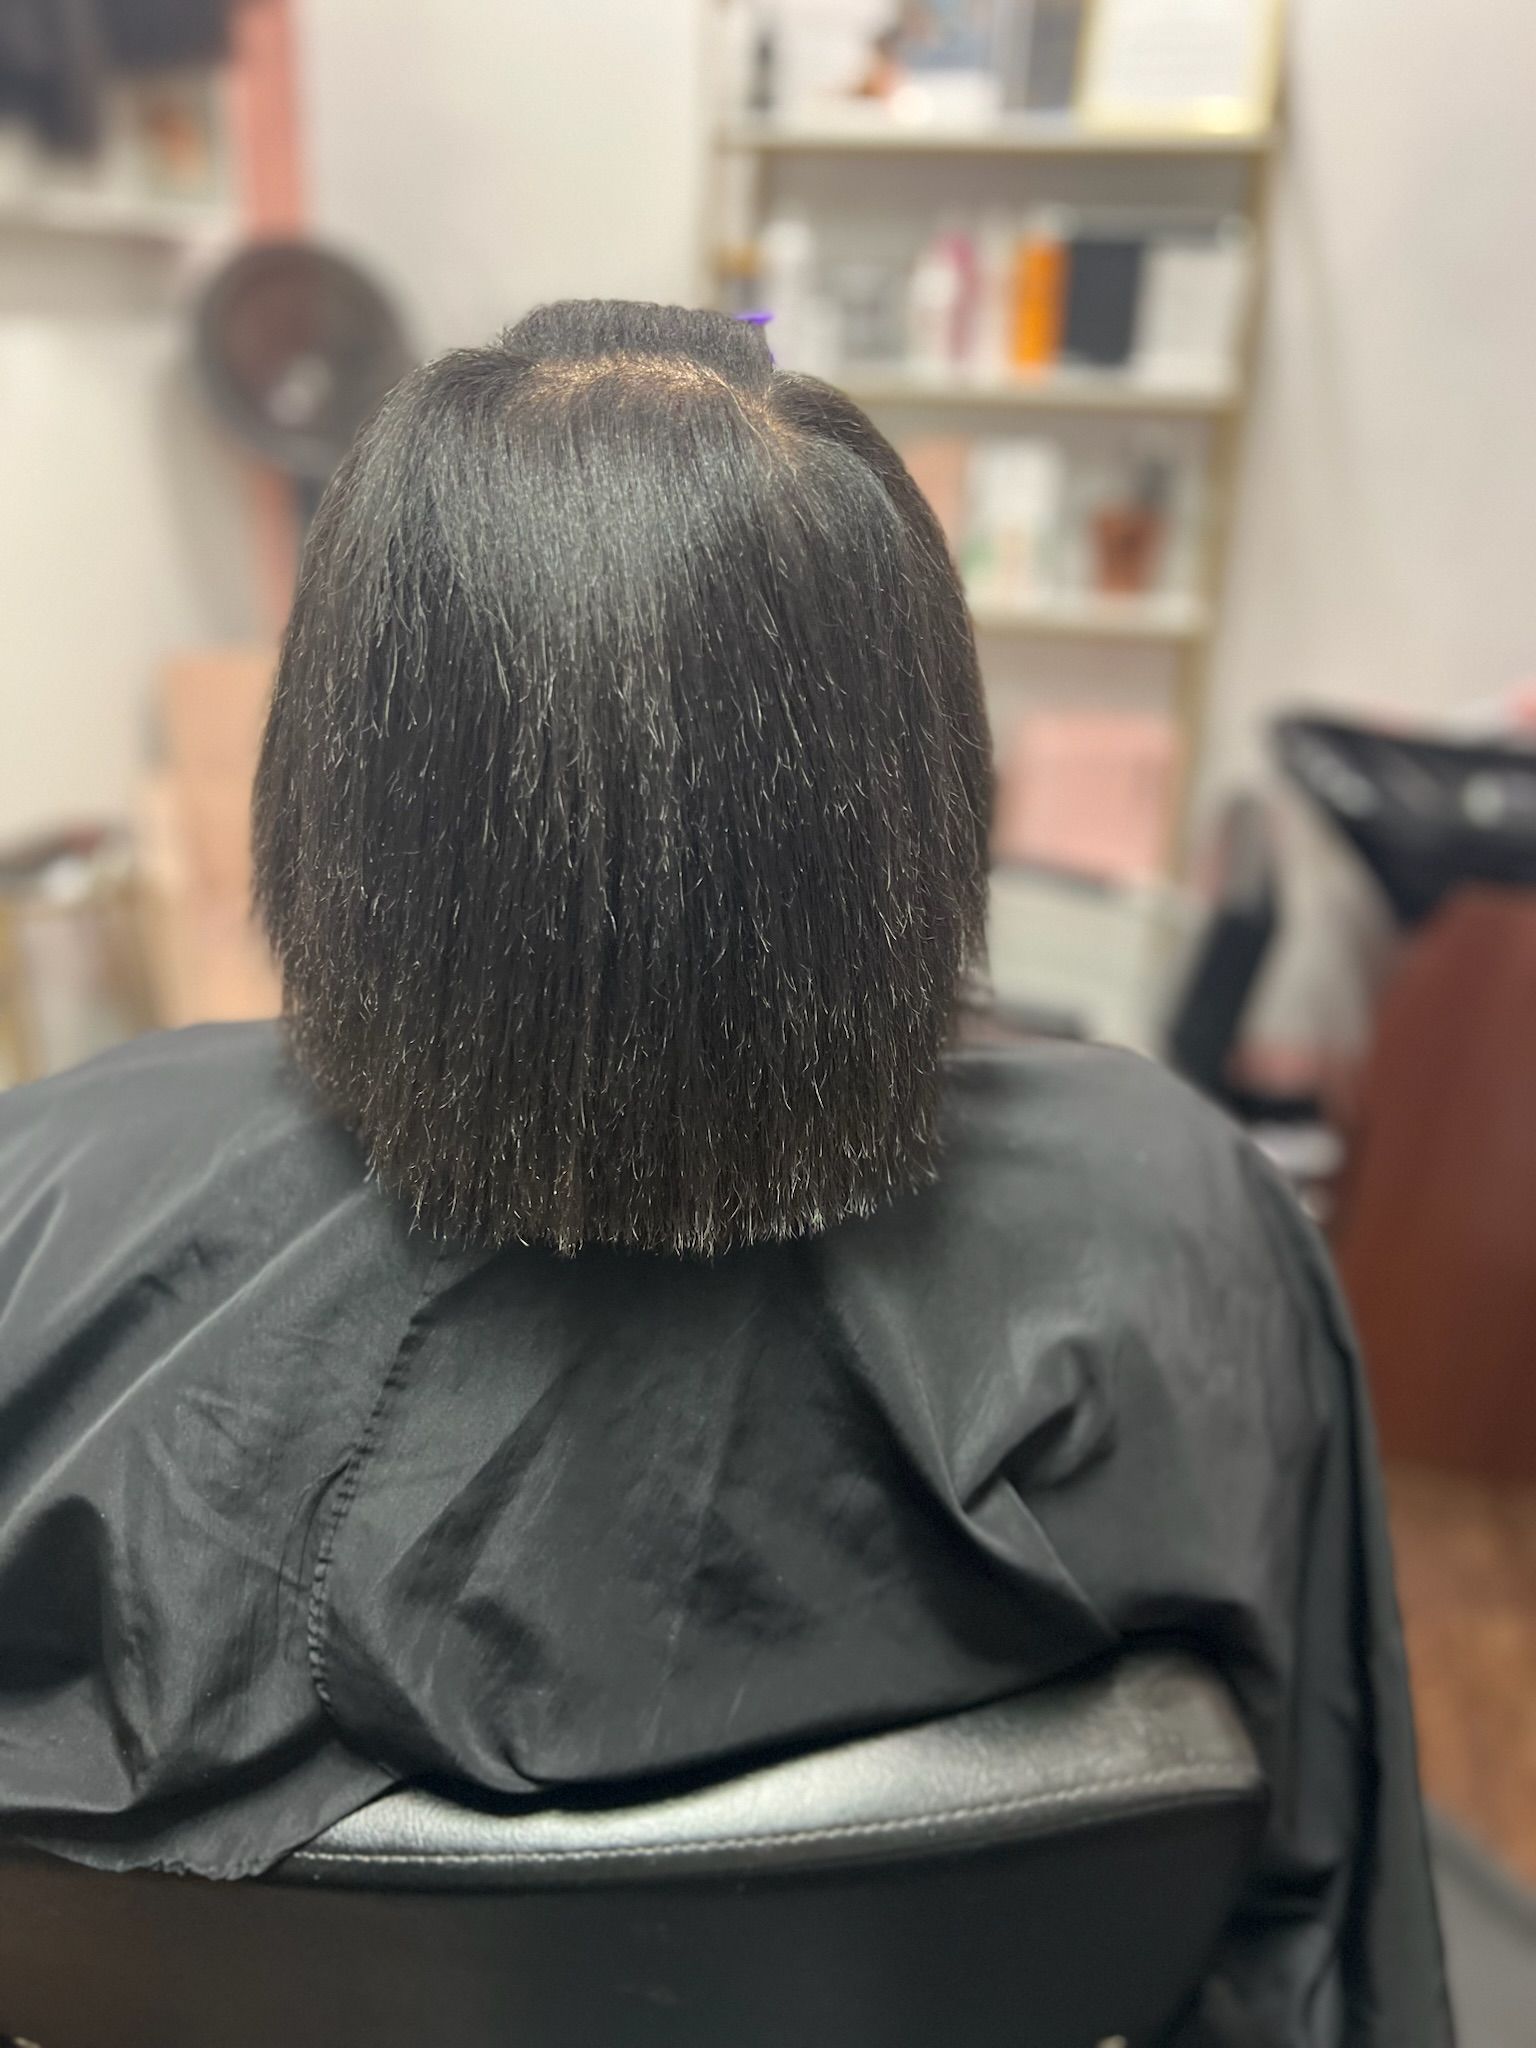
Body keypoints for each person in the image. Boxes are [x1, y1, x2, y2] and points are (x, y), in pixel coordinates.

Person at [0, 302, 1448, 2046]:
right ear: (914, 796)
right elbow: (1310, 1888)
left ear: (335, 773)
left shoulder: (47, 1210)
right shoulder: (1186, 1220)